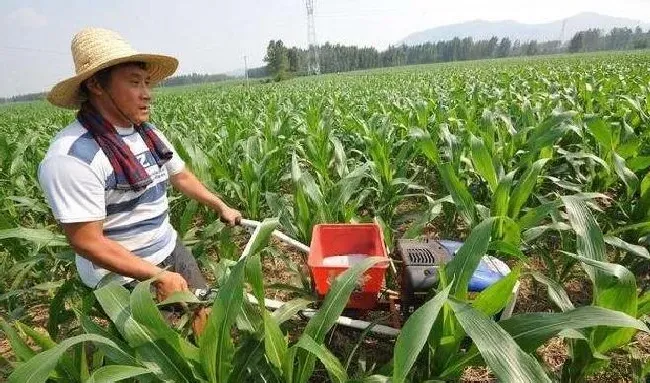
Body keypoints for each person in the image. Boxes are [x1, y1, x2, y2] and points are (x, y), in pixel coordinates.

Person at [38, 27, 241, 334]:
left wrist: (220, 204)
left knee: (206, 320)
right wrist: (156, 276)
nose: (147, 93)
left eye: (147, 82)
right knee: (170, 356)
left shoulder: (146, 134)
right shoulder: (73, 157)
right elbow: (86, 241)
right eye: (134, 82)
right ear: (96, 84)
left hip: (168, 247)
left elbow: (181, 175)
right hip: (123, 279)